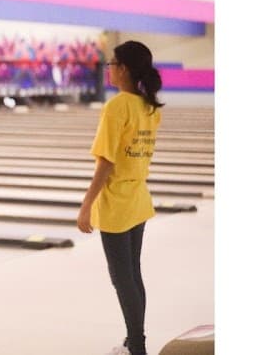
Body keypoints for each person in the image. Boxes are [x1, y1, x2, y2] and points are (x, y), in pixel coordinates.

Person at [77, 40, 165, 355]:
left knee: (122, 278)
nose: (109, 69)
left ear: (123, 69)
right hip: (138, 197)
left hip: (116, 202)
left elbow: (106, 162)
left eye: (111, 64)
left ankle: (137, 347)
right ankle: (133, 341)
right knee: (133, 274)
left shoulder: (117, 106)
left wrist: (86, 204)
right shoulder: (148, 106)